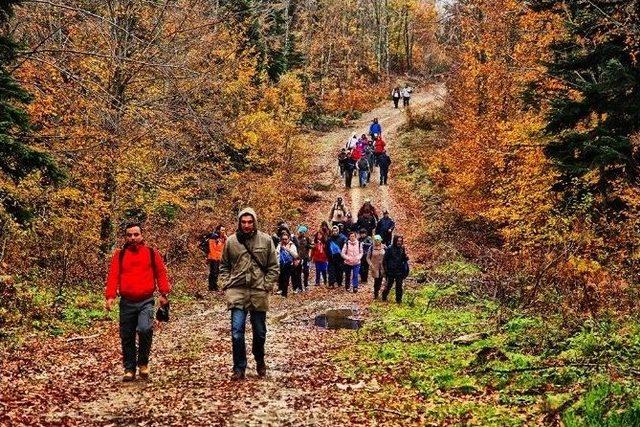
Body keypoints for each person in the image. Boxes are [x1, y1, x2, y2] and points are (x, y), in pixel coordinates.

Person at [105, 222, 171, 382]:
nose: (133, 238)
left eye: (136, 234)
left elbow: (160, 272)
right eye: (129, 235)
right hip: (126, 302)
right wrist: (110, 296)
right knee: (126, 336)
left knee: (144, 329)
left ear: (142, 235)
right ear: (125, 237)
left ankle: (143, 364)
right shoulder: (119, 255)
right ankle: (129, 369)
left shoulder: (151, 253)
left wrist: (164, 293)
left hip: (146, 301)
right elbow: (113, 275)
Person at [220, 208, 279, 380]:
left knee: (260, 332)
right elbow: (223, 266)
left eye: (250, 222)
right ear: (239, 223)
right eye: (243, 222)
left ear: (255, 222)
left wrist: (267, 285)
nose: (246, 225)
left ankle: (259, 358)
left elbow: (273, 267)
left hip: (258, 291)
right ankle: (239, 367)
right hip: (237, 291)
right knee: (237, 331)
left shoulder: (266, 240)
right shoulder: (231, 242)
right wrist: (225, 283)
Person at [382, 235, 409, 303]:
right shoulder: (389, 248)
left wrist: (405, 258)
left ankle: (398, 300)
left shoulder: (402, 248)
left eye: (400, 241)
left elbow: (403, 258)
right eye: (398, 241)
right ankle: (384, 297)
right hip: (391, 271)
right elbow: (385, 260)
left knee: (399, 286)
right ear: (395, 241)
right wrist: (386, 270)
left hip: (399, 270)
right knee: (388, 285)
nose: (399, 242)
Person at [276, 231, 299, 296]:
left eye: (286, 239)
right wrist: (277, 264)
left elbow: (296, 255)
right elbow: (277, 255)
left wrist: (288, 249)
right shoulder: (279, 245)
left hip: (291, 264)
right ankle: (284, 293)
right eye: (283, 239)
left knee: (293, 277)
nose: (284, 240)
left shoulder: (292, 245)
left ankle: (295, 288)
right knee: (284, 278)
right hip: (282, 264)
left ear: (288, 239)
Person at [294, 225, 311, 291]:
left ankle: (306, 284)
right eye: (300, 232)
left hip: (306, 258)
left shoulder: (307, 238)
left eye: (303, 232)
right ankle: (299, 287)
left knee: (306, 272)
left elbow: (312, 246)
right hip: (298, 258)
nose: (301, 233)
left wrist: (308, 246)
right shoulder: (296, 239)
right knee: (298, 272)